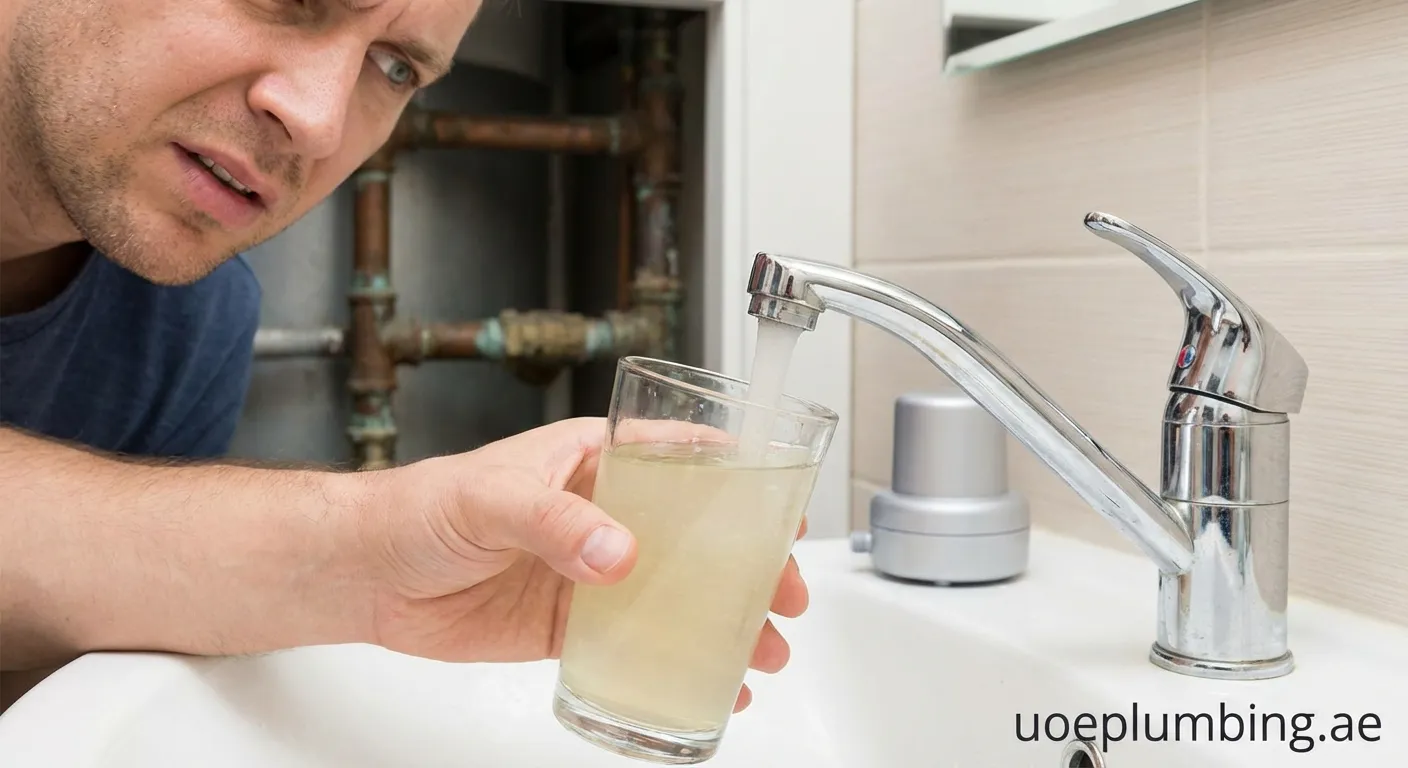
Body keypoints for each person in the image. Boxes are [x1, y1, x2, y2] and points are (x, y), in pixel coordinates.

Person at [0, 0, 808, 714]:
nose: (318, 120)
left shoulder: (190, 319)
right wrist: (356, 545)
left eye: (394, 68)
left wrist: (377, 574)